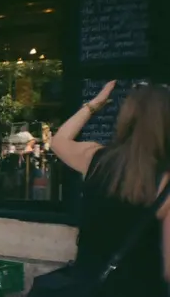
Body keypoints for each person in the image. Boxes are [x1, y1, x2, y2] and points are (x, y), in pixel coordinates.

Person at [50, 80, 170, 296]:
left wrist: (95, 104)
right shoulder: (165, 184)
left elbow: (58, 141)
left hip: (89, 286)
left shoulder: (96, 159)